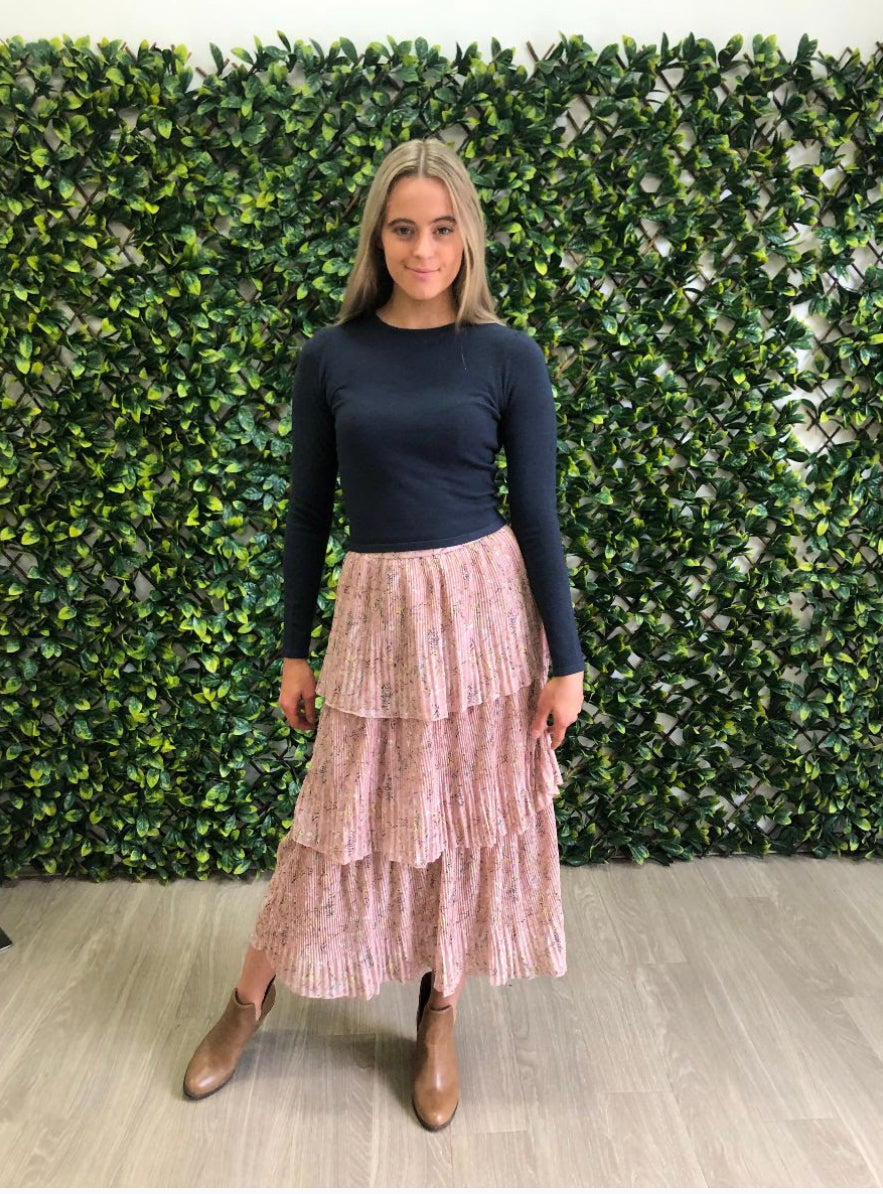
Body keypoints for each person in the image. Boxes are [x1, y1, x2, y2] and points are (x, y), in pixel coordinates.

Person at [182, 137, 585, 1130]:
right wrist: (292, 648)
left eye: (442, 228)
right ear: (377, 237)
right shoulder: (332, 356)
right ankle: (248, 999)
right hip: (375, 613)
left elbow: (536, 514)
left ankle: (439, 1010)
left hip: (485, 618)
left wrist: (565, 662)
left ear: (467, 236)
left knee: (463, 818)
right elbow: (307, 511)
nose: (423, 249)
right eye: (403, 228)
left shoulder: (508, 355)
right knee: (334, 817)